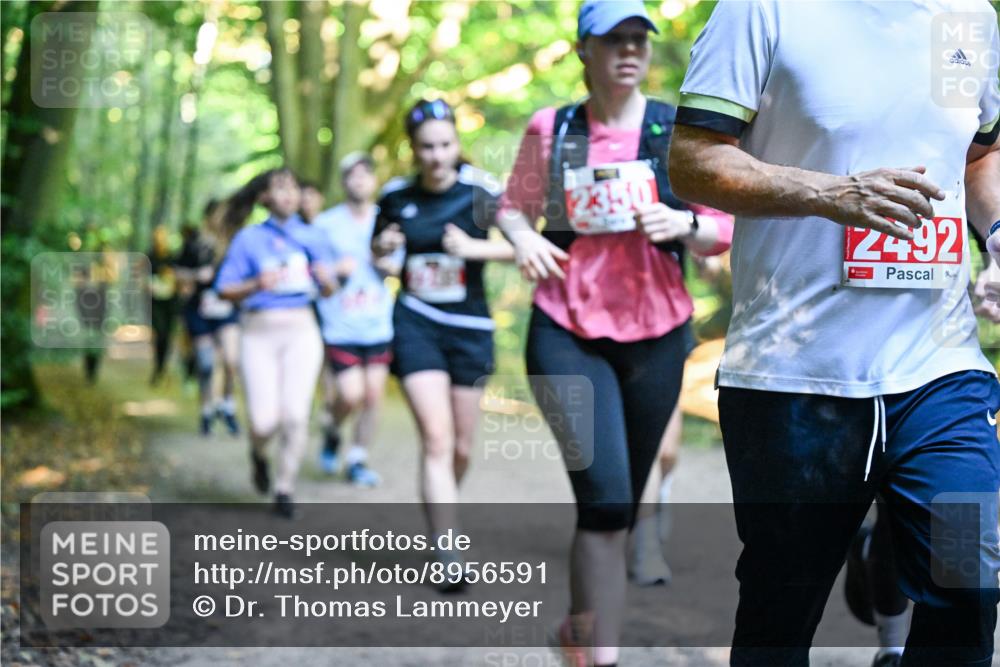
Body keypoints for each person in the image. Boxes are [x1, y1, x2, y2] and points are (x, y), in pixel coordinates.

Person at [669, 2, 1000, 665]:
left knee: (972, 583)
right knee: (780, 617)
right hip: (794, 373)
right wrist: (828, 193)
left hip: (938, 361)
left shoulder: (967, 17)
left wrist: (997, 236)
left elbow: (981, 156)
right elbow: (692, 160)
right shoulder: (762, 10)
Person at [496, 2, 733, 664]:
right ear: (583, 52)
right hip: (566, 328)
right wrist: (524, 242)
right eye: (614, 41)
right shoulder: (555, 127)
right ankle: (602, 657)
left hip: (658, 332)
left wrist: (684, 225)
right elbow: (512, 209)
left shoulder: (672, 130)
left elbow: (724, 226)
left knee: (624, 505)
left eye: (639, 40)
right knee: (604, 503)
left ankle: (579, 633)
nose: (630, 51)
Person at [371, 98, 514, 590]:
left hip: (470, 330)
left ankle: (441, 508)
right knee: (436, 439)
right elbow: (381, 260)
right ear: (413, 149)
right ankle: (448, 548)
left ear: (457, 143)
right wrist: (385, 255)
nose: (436, 156)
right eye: (427, 147)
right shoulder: (393, 197)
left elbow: (524, 245)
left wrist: (474, 248)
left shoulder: (483, 191)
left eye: (445, 145)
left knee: (460, 446)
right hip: (416, 323)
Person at [215, 168, 340, 518]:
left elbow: (330, 289)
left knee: (296, 415)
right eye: (279, 188)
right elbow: (224, 288)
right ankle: (257, 453)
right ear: (264, 197)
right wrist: (256, 283)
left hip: (302, 332)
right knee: (263, 422)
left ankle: (285, 488)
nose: (288, 195)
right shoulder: (248, 240)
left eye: (293, 188)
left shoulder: (314, 237)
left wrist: (326, 279)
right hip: (258, 334)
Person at [313, 152, 395, 486]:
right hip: (340, 324)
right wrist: (335, 271)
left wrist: (388, 265)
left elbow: (400, 264)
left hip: (377, 323)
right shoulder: (325, 224)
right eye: (352, 175)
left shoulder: (387, 221)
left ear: (374, 180)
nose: (359, 180)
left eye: (365, 174)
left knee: (373, 396)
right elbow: (314, 273)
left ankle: (358, 458)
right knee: (349, 394)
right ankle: (332, 429)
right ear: (344, 181)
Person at [175, 203, 241, 436]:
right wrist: (195, 276)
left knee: (232, 359)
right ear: (209, 216)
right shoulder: (193, 244)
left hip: (227, 310)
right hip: (199, 309)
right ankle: (206, 410)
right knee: (206, 364)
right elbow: (177, 273)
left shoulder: (235, 244)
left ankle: (228, 404)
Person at [148, 225, 178, 386]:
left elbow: (177, 278)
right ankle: (157, 367)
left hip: (170, 303)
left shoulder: (172, 258)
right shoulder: (149, 257)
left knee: (167, 336)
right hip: (155, 302)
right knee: (159, 333)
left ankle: (162, 367)